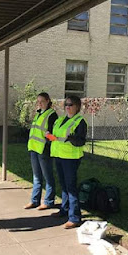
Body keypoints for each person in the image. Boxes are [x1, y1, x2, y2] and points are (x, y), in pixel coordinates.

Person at [48, 95, 87, 229]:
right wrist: (50, 136)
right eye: (66, 105)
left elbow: (81, 141)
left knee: (71, 187)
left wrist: (72, 139)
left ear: (77, 107)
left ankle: (75, 217)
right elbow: (57, 137)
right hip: (59, 156)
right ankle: (64, 210)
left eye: (71, 105)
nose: (68, 107)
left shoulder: (80, 121)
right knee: (64, 185)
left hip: (71, 159)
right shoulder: (60, 120)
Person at [24, 92, 58, 210]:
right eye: (38, 102)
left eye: (42, 101)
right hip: (34, 148)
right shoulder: (38, 114)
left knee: (47, 176)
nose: (39, 104)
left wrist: (48, 141)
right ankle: (35, 200)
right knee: (36, 176)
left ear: (48, 101)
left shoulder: (52, 115)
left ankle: (49, 201)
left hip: (44, 149)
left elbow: (52, 134)